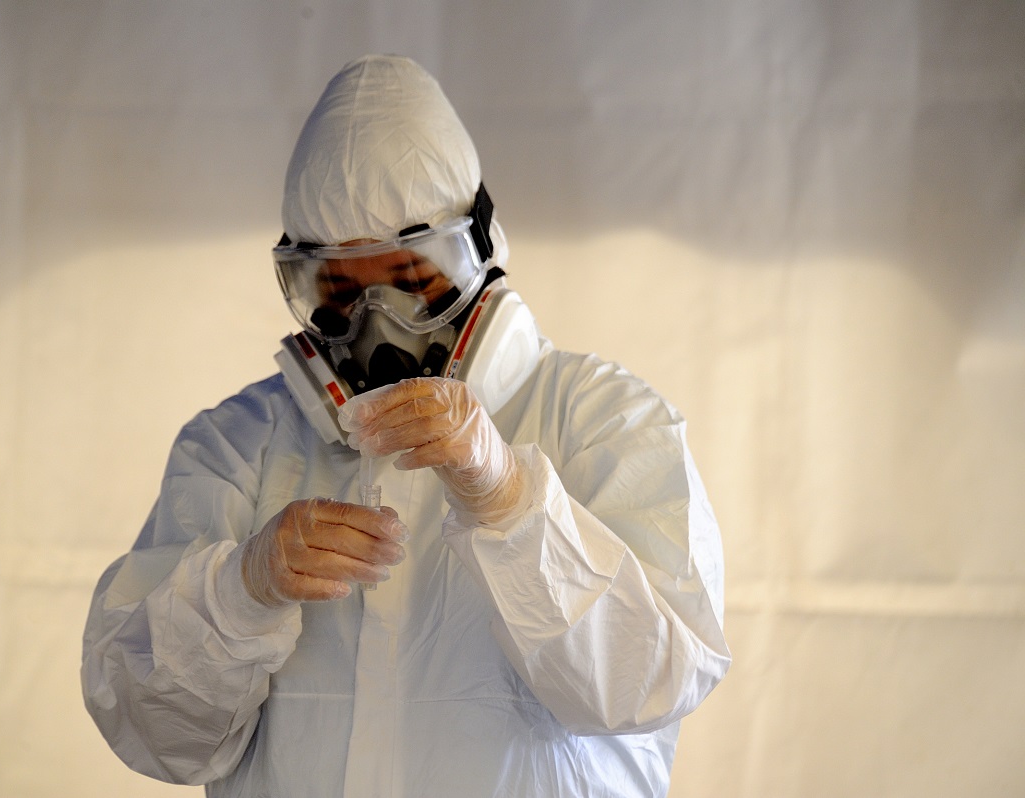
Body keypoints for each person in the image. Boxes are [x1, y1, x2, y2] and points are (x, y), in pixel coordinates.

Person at [81, 54, 730, 798]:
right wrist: (238, 594)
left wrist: (514, 506)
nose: (377, 325)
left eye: (414, 284)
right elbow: (154, 734)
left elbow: (652, 685)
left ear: (482, 248)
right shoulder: (238, 445)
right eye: (339, 293)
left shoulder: (604, 420)